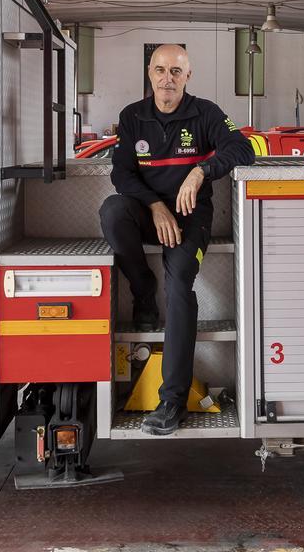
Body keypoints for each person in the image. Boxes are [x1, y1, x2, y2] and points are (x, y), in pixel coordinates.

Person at [99, 44, 255, 435]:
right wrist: (153, 205)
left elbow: (243, 149)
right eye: (160, 70)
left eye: (176, 72)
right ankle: (142, 291)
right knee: (112, 211)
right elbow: (122, 174)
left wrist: (202, 171)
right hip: (147, 212)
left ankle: (171, 402)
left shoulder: (206, 114)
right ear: (149, 73)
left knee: (181, 282)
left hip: (190, 217)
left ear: (188, 77)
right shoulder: (132, 116)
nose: (167, 78)